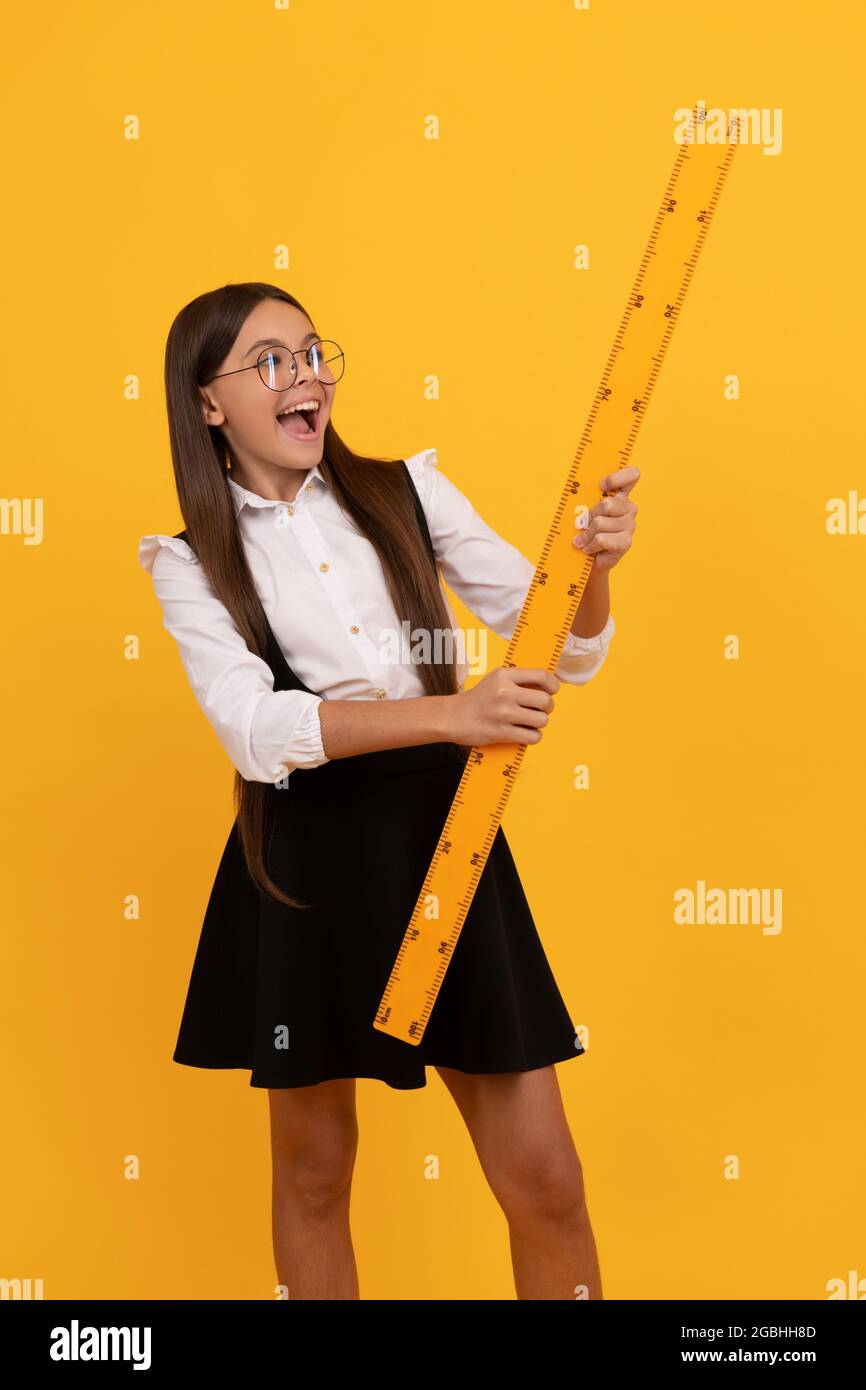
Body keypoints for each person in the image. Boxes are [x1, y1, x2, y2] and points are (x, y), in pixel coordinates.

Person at [138, 281, 639, 1300]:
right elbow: (252, 726)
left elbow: (565, 645)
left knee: (545, 1178)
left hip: (443, 834)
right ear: (207, 403)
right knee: (315, 1171)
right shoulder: (190, 560)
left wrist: (590, 562)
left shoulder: (407, 490)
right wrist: (451, 718)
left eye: (311, 352)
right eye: (270, 360)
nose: (306, 374)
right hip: (304, 856)